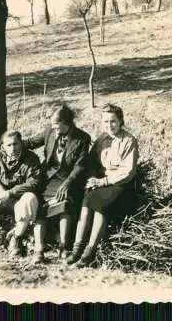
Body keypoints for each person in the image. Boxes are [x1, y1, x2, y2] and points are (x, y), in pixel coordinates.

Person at [66, 103, 139, 267]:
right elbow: (91, 162)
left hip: (121, 185)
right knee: (86, 204)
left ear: (121, 121)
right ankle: (77, 249)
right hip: (102, 182)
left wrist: (102, 181)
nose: (109, 125)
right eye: (106, 122)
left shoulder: (129, 141)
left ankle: (89, 252)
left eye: (113, 121)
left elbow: (128, 172)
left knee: (100, 208)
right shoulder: (102, 139)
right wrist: (93, 178)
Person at [24, 104, 91, 263]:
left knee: (65, 203)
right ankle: (38, 250)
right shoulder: (50, 132)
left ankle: (63, 247)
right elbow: (30, 142)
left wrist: (67, 184)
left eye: (56, 123)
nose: (53, 126)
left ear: (66, 122)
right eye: (52, 123)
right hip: (48, 178)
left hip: (69, 179)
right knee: (40, 206)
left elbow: (80, 165)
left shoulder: (82, 138)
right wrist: (9, 144)